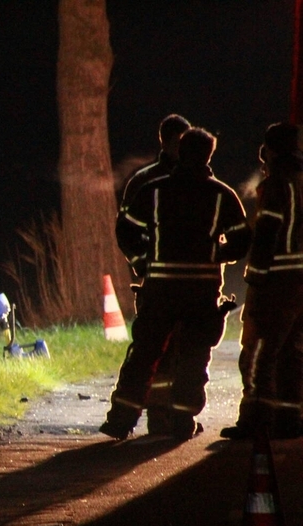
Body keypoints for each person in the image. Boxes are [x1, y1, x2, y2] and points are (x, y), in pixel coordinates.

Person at [100, 127, 252, 440]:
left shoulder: (153, 191)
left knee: (144, 352)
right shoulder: (222, 195)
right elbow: (241, 239)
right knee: (194, 355)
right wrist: (217, 255)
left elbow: (126, 229)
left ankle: (120, 420)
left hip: (160, 287)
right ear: (208, 156)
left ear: (179, 153)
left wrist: (143, 261)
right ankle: (182, 422)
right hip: (201, 288)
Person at [221, 122, 303, 440]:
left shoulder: (277, 185)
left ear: (270, 151)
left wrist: (254, 278)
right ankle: (290, 417)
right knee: (294, 352)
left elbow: (267, 233)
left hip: (278, 283)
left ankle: (256, 419)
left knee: (259, 352)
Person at [119, 114, 192, 435]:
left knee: (187, 350)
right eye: (178, 142)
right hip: (158, 282)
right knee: (156, 351)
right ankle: (159, 416)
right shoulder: (145, 181)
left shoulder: (198, 179)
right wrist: (141, 263)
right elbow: (126, 230)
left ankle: (178, 416)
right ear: (165, 141)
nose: (181, 148)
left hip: (191, 283)